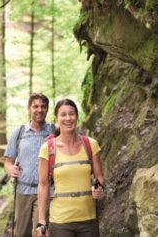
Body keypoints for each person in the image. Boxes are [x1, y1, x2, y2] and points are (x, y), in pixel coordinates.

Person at [36, 98, 104, 237]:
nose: (68, 118)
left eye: (71, 114)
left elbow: (99, 177)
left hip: (88, 220)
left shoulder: (91, 144)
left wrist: (100, 189)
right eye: (63, 114)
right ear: (56, 118)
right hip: (60, 222)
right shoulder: (47, 148)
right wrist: (41, 222)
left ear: (77, 116)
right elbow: (43, 185)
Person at [4, 93, 55, 237]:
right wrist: (10, 168)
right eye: (35, 106)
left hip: (47, 191)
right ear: (29, 109)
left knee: (40, 232)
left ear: (47, 109)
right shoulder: (19, 132)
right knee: (21, 233)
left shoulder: (53, 131)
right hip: (23, 190)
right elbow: (8, 162)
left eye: (43, 106)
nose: (39, 110)